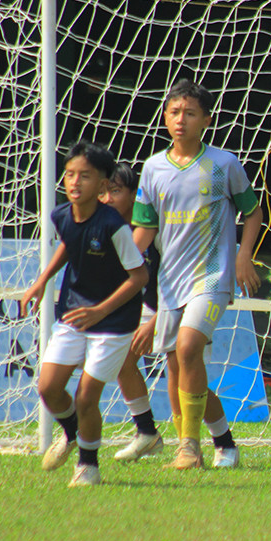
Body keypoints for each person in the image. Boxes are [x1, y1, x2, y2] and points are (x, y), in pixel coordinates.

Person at [132, 79, 262, 470]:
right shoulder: (153, 168)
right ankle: (224, 442)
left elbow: (253, 212)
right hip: (170, 281)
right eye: (174, 112)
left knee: (188, 349)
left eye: (190, 113)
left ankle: (188, 447)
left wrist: (243, 255)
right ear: (165, 117)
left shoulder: (224, 164)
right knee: (179, 368)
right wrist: (120, 263)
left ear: (206, 120)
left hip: (213, 276)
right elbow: (145, 228)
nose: (181, 120)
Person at [20, 142, 148, 486]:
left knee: (86, 396)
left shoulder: (114, 226)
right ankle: (73, 432)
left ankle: (88, 465)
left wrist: (100, 311)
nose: (75, 182)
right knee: (48, 387)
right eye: (70, 174)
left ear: (103, 185)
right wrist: (42, 281)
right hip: (75, 312)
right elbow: (69, 242)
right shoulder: (62, 215)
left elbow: (139, 277)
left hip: (114, 320)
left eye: (85, 176)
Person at [99, 162, 164, 460]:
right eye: (102, 192)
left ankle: (222, 442)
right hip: (147, 306)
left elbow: (174, 276)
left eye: (115, 191)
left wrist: (158, 320)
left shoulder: (154, 229)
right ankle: (147, 432)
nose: (107, 199)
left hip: (176, 303)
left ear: (135, 194)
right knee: (122, 361)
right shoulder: (104, 228)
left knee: (187, 375)